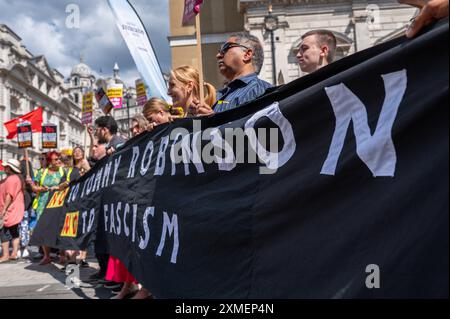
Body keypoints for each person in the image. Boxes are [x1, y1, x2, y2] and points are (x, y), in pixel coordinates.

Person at [213, 32, 273, 113]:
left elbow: (253, 125)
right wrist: (196, 117)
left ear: (247, 54)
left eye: (225, 48)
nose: (218, 55)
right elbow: (198, 125)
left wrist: (211, 118)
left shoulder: (258, 91)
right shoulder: (218, 96)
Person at [27, 151, 65, 265]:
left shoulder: (64, 171)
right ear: (49, 162)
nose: (58, 161)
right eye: (55, 159)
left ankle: (62, 254)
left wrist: (57, 187)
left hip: (59, 203)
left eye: (58, 158)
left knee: (60, 229)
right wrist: (36, 186)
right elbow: (34, 188)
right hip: (43, 204)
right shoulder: (41, 172)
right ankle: (46, 256)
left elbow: (68, 184)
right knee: (44, 229)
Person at [0, 159, 25, 263]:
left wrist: (4, 209)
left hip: (10, 208)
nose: (5, 168)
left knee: (3, 231)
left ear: (10, 168)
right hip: (14, 208)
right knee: (14, 231)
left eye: (6, 166)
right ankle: (14, 253)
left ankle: (5, 255)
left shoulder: (12, 179)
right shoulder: (13, 178)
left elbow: (9, 195)